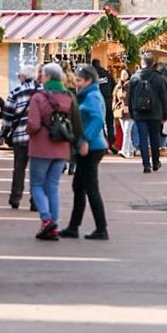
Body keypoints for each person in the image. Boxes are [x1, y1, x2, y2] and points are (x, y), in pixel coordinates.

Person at [26, 63, 82, 240]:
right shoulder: (68, 96)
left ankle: (46, 219)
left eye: (42, 75)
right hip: (61, 148)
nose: (40, 78)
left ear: (48, 77)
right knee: (53, 186)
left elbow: (33, 125)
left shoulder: (38, 97)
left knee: (36, 185)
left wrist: (28, 131)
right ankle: (54, 222)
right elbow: (76, 123)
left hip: (41, 147)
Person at [59, 64, 109, 240]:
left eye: (79, 80)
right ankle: (74, 227)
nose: (77, 83)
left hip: (92, 147)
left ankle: (101, 228)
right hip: (87, 145)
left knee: (90, 188)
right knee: (79, 186)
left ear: (88, 80)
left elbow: (97, 119)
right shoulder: (87, 95)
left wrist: (86, 140)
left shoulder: (92, 96)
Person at [0, 65, 42, 210]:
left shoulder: (16, 92)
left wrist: (4, 133)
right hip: (38, 138)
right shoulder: (43, 91)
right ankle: (35, 201)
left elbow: (8, 115)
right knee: (36, 170)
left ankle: (15, 198)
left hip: (20, 136)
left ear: (23, 77)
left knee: (19, 168)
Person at [128, 52, 167, 174]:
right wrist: (164, 114)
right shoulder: (158, 77)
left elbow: (130, 97)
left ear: (142, 63)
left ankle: (146, 164)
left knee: (143, 139)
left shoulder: (135, 77)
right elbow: (163, 97)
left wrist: (132, 112)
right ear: (153, 63)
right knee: (154, 138)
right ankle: (155, 162)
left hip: (139, 113)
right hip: (155, 112)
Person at [93, 58, 119, 154]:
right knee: (109, 123)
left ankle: (104, 144)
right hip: (108, 101)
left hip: (98, 102)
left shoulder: (92, 76)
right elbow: (114, 86)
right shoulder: (107, 75)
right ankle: (111, 143)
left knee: (100, 124)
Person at [113, 69, 135, 158]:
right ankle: (131, 149)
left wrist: (127, 105)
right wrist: (114, 106)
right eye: (122, 74)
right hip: (120, 112)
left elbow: (131, 97)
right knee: (126, 132)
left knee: (126, 131)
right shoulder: (118, 86)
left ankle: (124, 150)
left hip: (130, 111)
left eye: (125, 74)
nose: (123, 75)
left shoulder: (131, 85)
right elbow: (114, 97)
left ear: (129, 75)